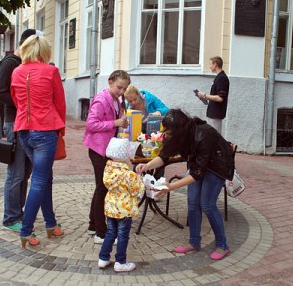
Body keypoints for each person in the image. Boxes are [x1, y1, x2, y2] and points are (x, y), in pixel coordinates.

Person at [136, 109, 235, 260]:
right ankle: (194, 242)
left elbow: (197, 174)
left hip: (217, 167)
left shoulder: (204, 134)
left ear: (178, 130)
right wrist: (147, 165)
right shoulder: (176, 137)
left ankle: (222, 245)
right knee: (193, 202)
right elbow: (164, 157)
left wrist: (170, 187)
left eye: (168, 132)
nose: (165, 135)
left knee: (207, 205)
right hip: (199, 166)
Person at [10, 34, 66, 247]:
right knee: (41, 180)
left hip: (24, 130)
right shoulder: (50, 71)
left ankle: (50, 223)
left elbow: (16, 101)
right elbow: (59, 103)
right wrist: (60, 129)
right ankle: (26, 230)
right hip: (45, 130)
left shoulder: (16, 72)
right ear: (44, 52)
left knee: (45, 177)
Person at [0, 29, 43, 231]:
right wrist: (24, 104)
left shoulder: (22, 64)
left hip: (26, 122)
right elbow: (1, 93)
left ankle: (19, 211)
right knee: (16, 173)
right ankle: (10, 217)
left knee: (25, 173)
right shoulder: (10, 63)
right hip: (14, 122)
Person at [83, 70, 130, 244]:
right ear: (110, 82)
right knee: (102, 188)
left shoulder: (116, 100)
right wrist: (115, 123)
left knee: (101, 187)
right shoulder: (101, 99)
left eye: (124, 88)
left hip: (105, 148)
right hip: (98, 149)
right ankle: (101, 234)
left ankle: (93, 225)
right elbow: (91, 124)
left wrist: (119, 123)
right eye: (119, 87)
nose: (122, 91)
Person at [98, 138, 145, 272]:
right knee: (123, 235)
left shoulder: (107, 170)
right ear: (126, 156)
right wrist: (139, 177)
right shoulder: (129, 174)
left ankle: (103, 258)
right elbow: (138, 191)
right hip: (124, 210)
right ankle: (120, 261)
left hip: (111, 208)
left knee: (111, 232)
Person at [196, 56, 230, 134]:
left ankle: (230, 146)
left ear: (215, 64)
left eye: (211, 64)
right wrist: (203, 97)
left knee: (216, 137)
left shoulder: (222, 78)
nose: (210, 66)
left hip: (216, 113)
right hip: (213, 112)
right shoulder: (218, 77)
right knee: (211, 136)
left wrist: (204, 95)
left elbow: (220, 98)